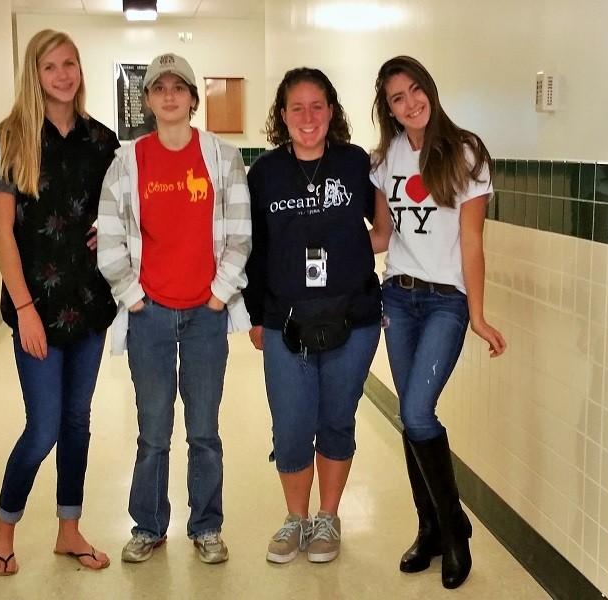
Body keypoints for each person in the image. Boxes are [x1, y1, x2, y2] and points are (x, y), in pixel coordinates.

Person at [97, 53, 251, 565]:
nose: (168, 95)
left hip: (206, 313)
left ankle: (206, 526)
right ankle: (148, 526)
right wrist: (133, 296)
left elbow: (240, 234)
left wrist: (218, 294)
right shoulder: (127, 161)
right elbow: (111, 236)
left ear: (191, 97)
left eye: (178, 87)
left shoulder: (222, 157)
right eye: (158, 88)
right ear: (147, 101)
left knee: (204, 430)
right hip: (151, 315)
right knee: (153, 432)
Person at [0, 29, 119, 575]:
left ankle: (68, 529)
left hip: (89, 303)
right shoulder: (10, 140)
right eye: (51, 67)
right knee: (44, 426)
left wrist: (110, 229)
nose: (64, 75)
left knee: (78, 421)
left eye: (71, 64)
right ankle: (3, 528)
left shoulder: (101, 140)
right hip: (35, 306)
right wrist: (25, 310)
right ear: (33, 76)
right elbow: (2, 233)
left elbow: (124, 211)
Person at [370, 55, 507, 589]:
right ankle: (428, 529)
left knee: (418, 411)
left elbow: (472, 240)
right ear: (388, 107)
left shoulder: (467, 152)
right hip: (398, 299)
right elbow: (383, 235)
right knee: (412, 417)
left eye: (415, 90)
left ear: (430, 87)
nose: (410, 103)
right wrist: (321, 249)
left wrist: (476, 313)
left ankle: (453, 531)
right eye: (397, 97)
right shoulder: (387, 160)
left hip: (446, 302)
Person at [242, 67, 384, 565]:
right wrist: (255, 316)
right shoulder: (263, 174)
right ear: (282, 115)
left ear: (331, 111)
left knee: (336, 419)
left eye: (317, 106)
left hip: (355, 319)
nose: (307, 117)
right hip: (285, 322)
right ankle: (295, 518)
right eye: (296, 107)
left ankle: (328, 517)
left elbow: (385, 225)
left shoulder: (354, 164)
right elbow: (253, 251)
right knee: (291, 426)